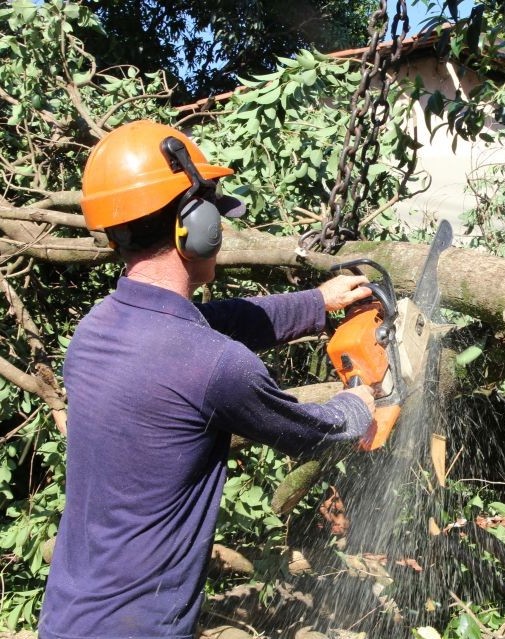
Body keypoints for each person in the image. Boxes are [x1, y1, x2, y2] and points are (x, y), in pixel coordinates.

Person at [38, 120, 375, 639]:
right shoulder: (215, 365)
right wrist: (360, 402)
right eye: (213, 209)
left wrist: (318, 303)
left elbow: (216, 323)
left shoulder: (94, 331)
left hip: (68, 617)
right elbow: (317, 431)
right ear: (192, 226)